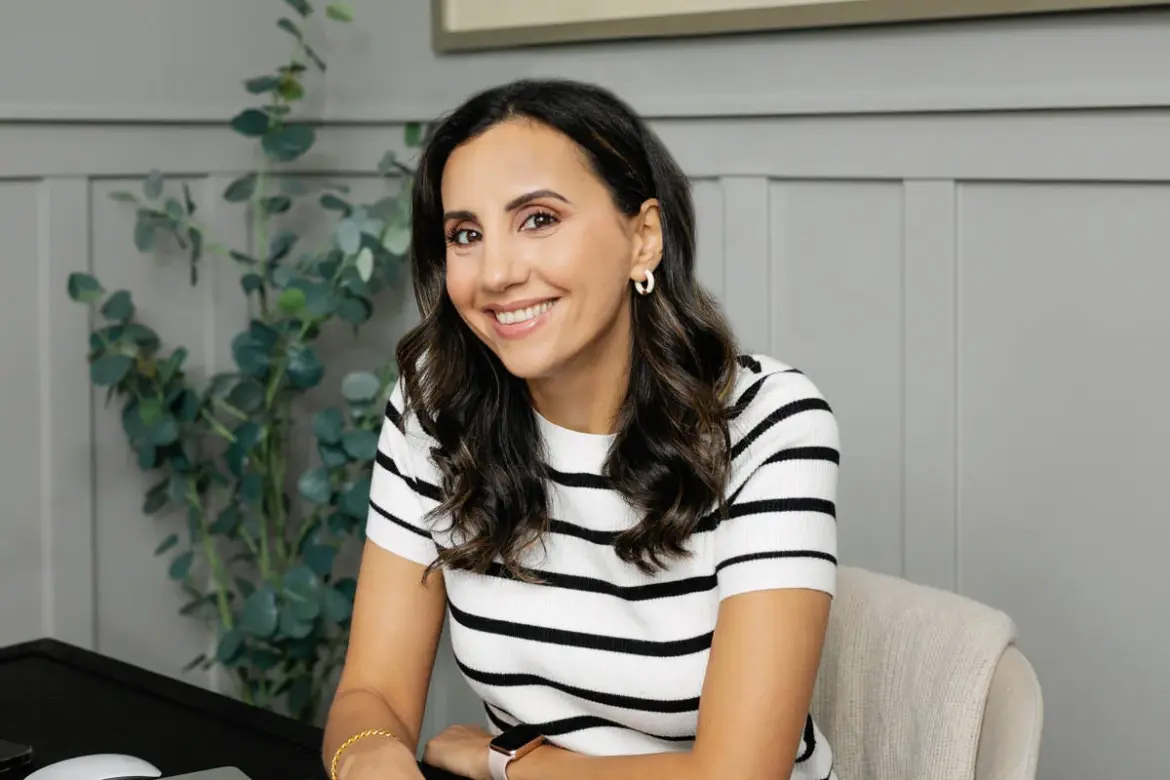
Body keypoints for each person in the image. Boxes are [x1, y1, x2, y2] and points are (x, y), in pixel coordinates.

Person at [321, 77, 840, 780]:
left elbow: (738, 778)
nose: (496, 273)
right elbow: (371, 692)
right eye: (466, 234)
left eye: (538, 219)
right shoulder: (433, 415)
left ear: (643, 238)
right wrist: (369, 757)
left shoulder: (766, 422)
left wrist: (512, 764)